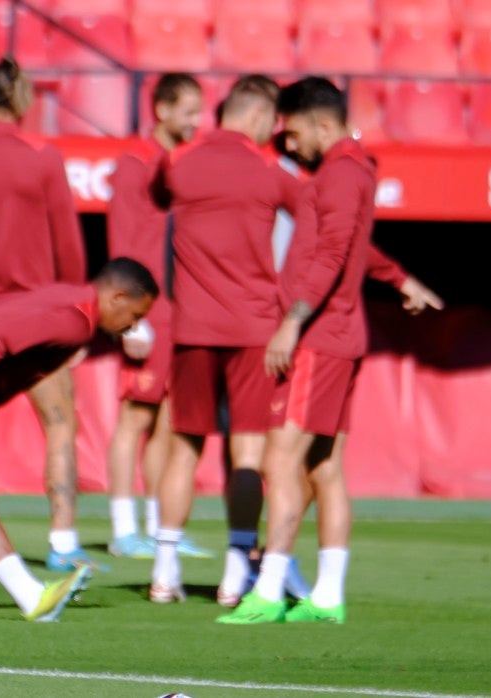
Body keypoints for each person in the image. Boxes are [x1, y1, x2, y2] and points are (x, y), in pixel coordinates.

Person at [218, 77, 444, 624]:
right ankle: (328, 595)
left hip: (319, 338)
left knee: (283, 460)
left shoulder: (341, 174)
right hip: (342, 334)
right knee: (324, 467)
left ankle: (269, 589)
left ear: (322, 123)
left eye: (292, 133)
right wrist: (399, 279)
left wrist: (293, 323)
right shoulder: (351, 172)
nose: (289, 145)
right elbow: (356, 247)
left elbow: (334, 252)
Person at [0, 258, 158, 621]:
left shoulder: (72, 301)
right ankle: (30, 595)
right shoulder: (75, 321)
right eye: (134, 315)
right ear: (117, 296)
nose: (131, 326)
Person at [146, 74, 300, 603]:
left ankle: (164, 571)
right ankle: (237, 571)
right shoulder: (270, 170)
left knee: (183, 446)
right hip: (255, 329)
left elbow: (157, 190)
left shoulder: (181, 159)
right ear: (261, 118)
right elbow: (317, 219)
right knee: (248, 452)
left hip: (194, 328)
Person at [0, 56, 90, 572]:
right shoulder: (43, 158)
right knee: (59, 424)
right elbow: (70, 254)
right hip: (37, 319)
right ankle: (63, 539)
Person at [104, 72, 211, 560]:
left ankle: (158, 521)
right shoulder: (133, 166)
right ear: (162, 109)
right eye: (189, 110)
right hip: (149, 310)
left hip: (182, 311)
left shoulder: (186, 167)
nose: (196, 121)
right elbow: (122, 245)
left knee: (171, 420)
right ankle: (122, 526)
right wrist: (131, 319)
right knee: (135, 417)